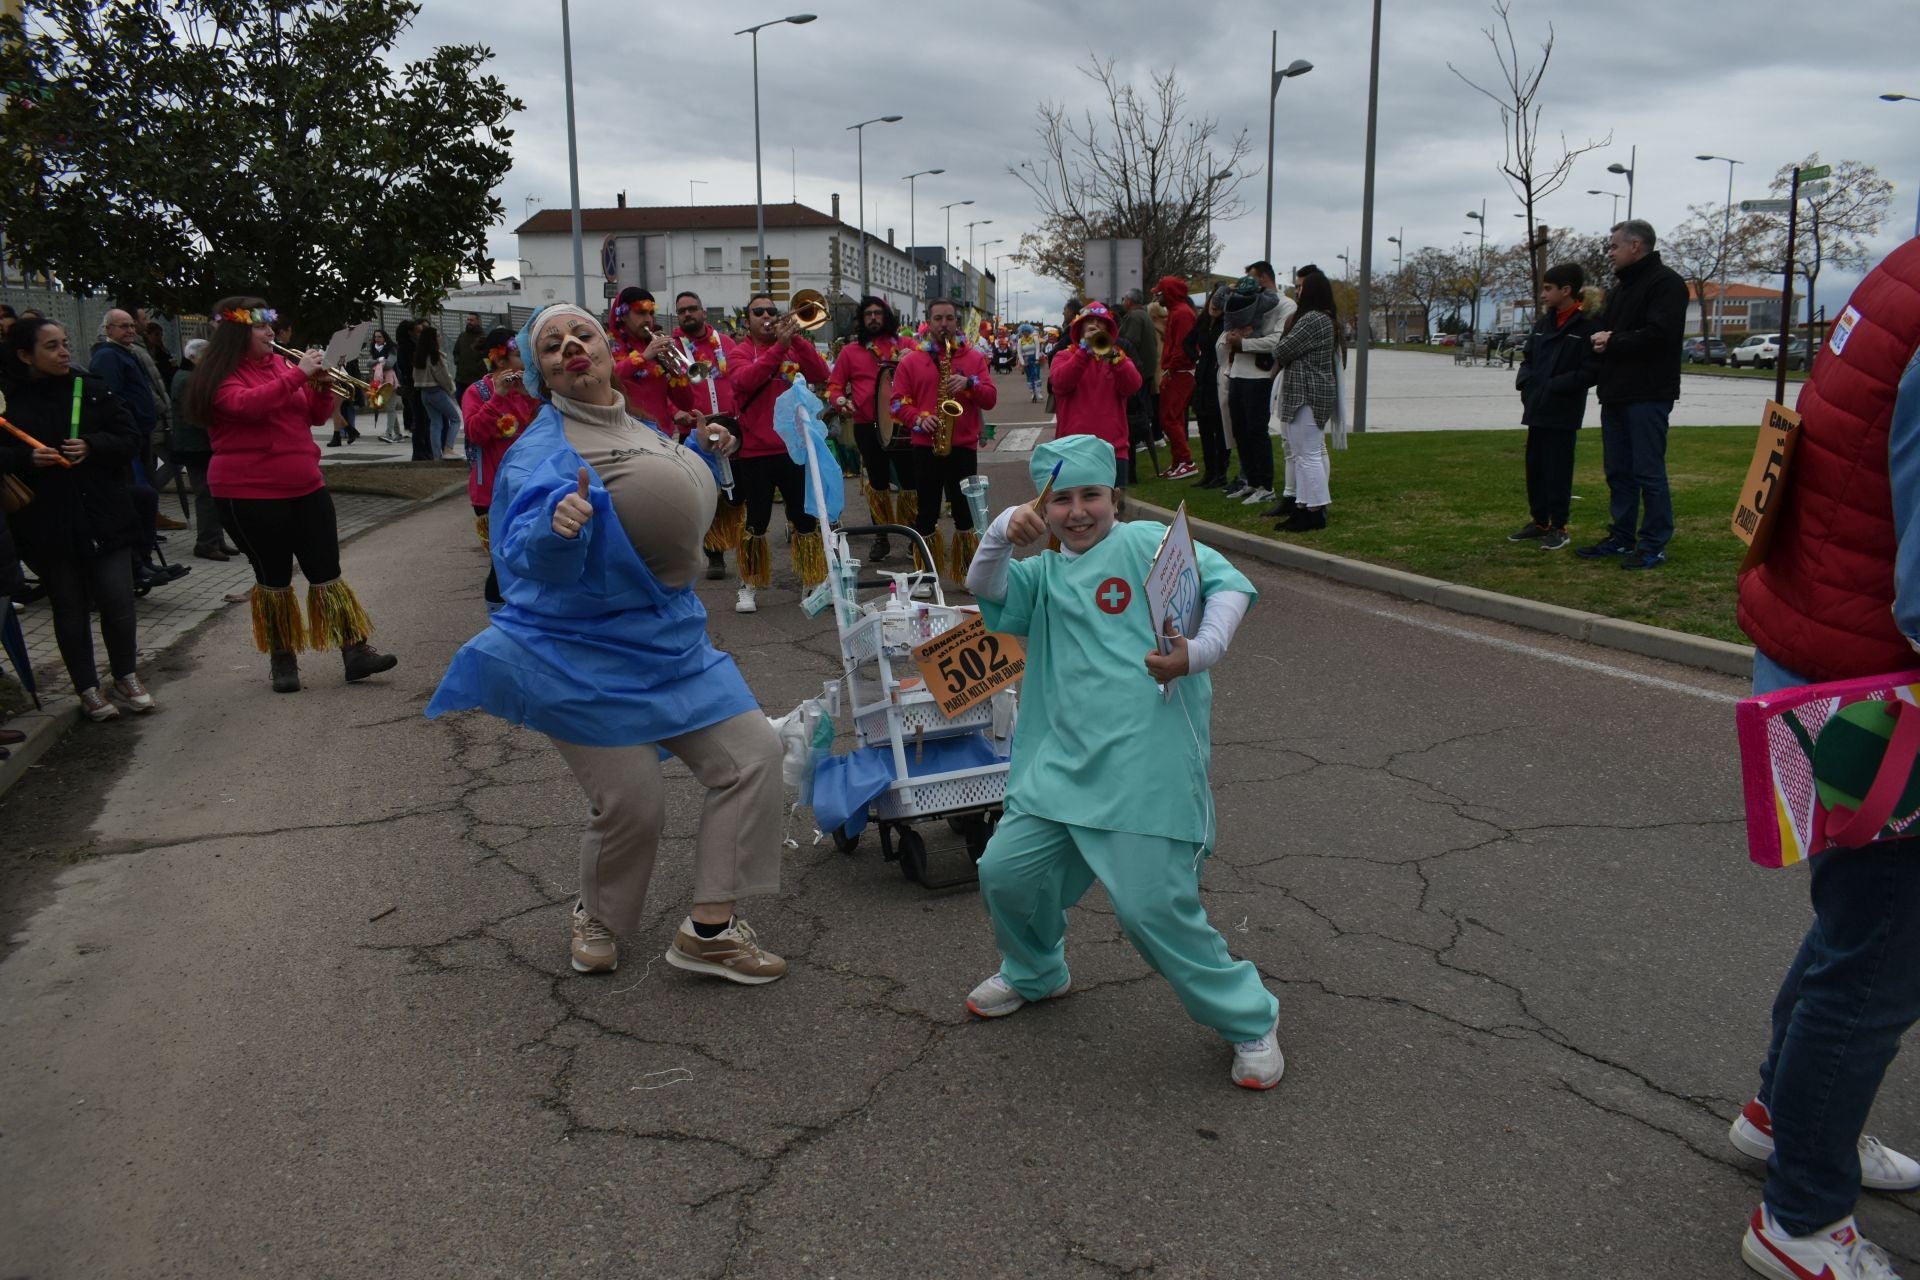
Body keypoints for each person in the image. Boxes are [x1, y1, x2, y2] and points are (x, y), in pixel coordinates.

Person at [426, 303, 788, 986]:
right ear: (542, 371)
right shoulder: (541, 449)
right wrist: (557, 530)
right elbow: (521, 555)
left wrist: (707, 453)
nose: (571, 347)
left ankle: (711, 930)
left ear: (606, 348)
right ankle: (598, 915)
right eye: (553, 344)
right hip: (581, 655)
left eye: (581, 334)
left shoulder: (641, 424)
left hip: (671, 640)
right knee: (634, 802)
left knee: (754, 756)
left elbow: (660, 489)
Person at [962, 432, 1282, 1089]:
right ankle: (1036, 970)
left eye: (1092, 496)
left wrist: (1198, 652)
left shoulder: (1142, 544)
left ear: (1115, 497)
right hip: (1060, 767)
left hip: (1146, 766)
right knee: (1006, 874)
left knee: (1151, 909)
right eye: (1062, 500)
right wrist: (998, 531)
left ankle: (1249, 1017)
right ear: (1043, 509)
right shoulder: (1043, 574)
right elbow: (984, 586)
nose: (1077, 512)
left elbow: (1229, 585)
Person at [1724, 241, 1920, 1280]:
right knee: (1880, 951)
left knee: (1860, 925)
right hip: (1881, 688)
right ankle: (1800, 1214)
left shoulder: (1901, 272)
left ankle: (1785, 1117)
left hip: (1825, 656)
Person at [184, 296, 399, 694]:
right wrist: (299, 375)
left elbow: (314, 416)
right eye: (260, 327)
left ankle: (354, 650)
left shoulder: (283, 366)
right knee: (273, 577)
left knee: (326, 571)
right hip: (248, 492)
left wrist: (320, 388)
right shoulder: (220, 376)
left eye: (270, 325)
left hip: (305, 485)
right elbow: (247, 406)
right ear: (236, 332)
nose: (271, 333)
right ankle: (283, 657)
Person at [0, 317, 156, 721]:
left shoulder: (90, 389)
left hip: (103, 513)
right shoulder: (9, 401)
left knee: (119, 601)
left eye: (65, 343)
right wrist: (25, 458)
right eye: (51, 346)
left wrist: (92, 445)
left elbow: (130, 438)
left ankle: (125, 675)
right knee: (69, 609)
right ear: (24, 354)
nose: (64, 352)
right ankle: (87, 688)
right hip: (47, 521)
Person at [1576, 219, 1687, 570]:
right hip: (1616, 393)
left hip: (1648, 393)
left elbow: (1660, 334)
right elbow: (1614, 333)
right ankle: (1621, 538)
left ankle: (1653, 543)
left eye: (1613, 247)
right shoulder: (1622, 288)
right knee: (1618, 471)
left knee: (1648, 471)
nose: (1609, 253)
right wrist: (1600, 337)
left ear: (1635, 246)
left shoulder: (1666, 284)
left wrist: (1614, 341)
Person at [725, 291, 830, 614]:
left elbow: (821, 375)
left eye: (772, 310)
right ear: (748, 321)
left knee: (803, 518)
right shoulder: (740, 352)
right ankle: (749, 583)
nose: (767, 316)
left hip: (794, 448)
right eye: (759, 312)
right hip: (756, 451)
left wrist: (796, 342)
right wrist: (779, 349)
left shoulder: (793, 347)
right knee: (756, 520)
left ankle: (811, 578)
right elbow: (745, 380)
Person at [889, 298, 997, 583]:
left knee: (965, 514)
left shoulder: (973, 359)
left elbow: (990, 398)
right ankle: (925, 575)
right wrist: (919, 419)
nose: (944, 324)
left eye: (949, 318)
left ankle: (967, 573)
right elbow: (897, 404)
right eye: (938, 319)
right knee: (926, 512)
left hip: (962, 446)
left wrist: (970, 383)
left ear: (956, 322)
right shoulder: (912, 360)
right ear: (929, 322)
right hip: (926, 446)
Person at [1510, 263, 1598, 551]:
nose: (1543, 294)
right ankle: (1539, 521)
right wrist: (1526, 384)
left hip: (1563, 410)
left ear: (1566, 290)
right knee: (1535, 466)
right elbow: (1528, 359)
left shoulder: (1586, 326)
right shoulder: (1542, 324)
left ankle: (1559, 526)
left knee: (1558, 468)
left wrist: (1554, 386)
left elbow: (1589, 371)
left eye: (1548, 288)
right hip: (1537, 407)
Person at [825, 295, 914, 563]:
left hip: (903, 424)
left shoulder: (906, 345)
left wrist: (918, 357)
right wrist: (840, 401)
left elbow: (929, 372)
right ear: (862, 320)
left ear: (886, 316)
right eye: (868, 314)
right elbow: (834, 386)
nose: (874, 318)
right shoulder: (851, 352)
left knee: (911, 484)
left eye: (878, 313)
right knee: (877, 484)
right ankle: (882, 536)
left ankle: (913, 536)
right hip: (867, 425)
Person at [666, 290, 745, 582]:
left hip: (729, 426)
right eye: (682, 310)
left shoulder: (724, 343)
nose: (688, 314)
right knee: (704, 493)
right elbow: (665, 390)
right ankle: (714, 555)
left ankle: (742, 546)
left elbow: (737, 379)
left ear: (703, 312)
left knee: (734, 493)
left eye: (692, 309)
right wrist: (677, 411)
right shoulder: (673, 349)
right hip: (694, 431)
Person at [460, 327, 540, 606]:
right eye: (521, 356)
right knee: (502, 563)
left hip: (528, 487)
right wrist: (499, 397)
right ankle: (499, 619)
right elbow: (474, 433)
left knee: (529, 558)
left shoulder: (529, 388)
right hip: (491, 493)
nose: (527, 362)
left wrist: (528, 395)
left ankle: (523, 618)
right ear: (501, 359)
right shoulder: (478, 392)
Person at [1263, 270, 1344, 532]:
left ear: (1313, 291)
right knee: (1304, 453)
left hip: (1306, 393)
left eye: (1301, 288)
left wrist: (1283, 348)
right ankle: (1304, 506)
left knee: (1307, 454)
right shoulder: (1324, 318)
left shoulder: (1313, 319)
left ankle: (1315, 510)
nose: (1297, 292)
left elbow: (1282, 349)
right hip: (1308, 391)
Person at [1219, 266, 1293, 504]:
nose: (1243, 284)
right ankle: (1250, 481)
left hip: (1260, 375)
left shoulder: (1285, 305)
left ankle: (1266, 485)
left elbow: (1278, 340)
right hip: (1238, 371)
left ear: (1263, 278)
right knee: (1239, 430)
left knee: (1256, 431)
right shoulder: (1243, 298)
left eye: (1250, 278)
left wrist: (1245, 343)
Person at [1048, 301, 1142, 487]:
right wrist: (1084, 352)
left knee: (1113, 513)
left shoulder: (1117, 357)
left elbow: (1133, 386)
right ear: (1079, 327)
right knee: (1074, 514)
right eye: (1089, 321)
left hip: (1113, 452)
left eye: (1101, 322)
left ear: (1109, 329)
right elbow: (1060, 383)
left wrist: (1114, 358)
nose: (1095, 326)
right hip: (1072, 452)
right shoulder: (1064, 356)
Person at [167, 338, 236, 561]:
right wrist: (218, 433)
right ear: (194, 357)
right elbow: (195, 416)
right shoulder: (188, 379)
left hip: (200, 445)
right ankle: (206, 542)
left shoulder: (191, 377)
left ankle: (216, 539)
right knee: (206, 495)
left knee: (215, 494)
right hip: (196, 447)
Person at [606, 287, 679, 435]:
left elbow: (686, 402)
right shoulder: (607, 345)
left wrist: (678, 370)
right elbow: (609, 378)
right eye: (640, 313)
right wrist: (643, 357)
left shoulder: (655, 347)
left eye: (651, 313)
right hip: (626, 434)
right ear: (623, 315)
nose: (648, 319)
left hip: (662, 434)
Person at [1154, 276, 1199, 479]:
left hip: (1180, 372)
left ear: (1169, 293)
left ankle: (1186, 461)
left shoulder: (1181, 314)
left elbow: (1182, 347)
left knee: (1169, 418)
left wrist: (1170, 370)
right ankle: (1179, 461)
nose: (1157, 296)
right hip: (1178, 371)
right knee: (1175, 418)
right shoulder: (1177, 312)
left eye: (1160, 292)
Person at [1188, 285, 1232, 489]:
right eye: (1213, 302)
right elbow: (1187, 342)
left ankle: (1220, 472)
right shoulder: (1204, 321)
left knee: (1219, 428)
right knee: (1205, 427)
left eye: (1219, 304)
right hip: (1203, 377)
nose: (1214, 307)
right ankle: (1209, 471)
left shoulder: (1226, 324)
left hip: (1218, 377)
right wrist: (1197, 358)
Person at [395, 319, 431, 461]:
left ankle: (425, 450)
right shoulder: (408, 348)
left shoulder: (412, 346)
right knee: (421, 420)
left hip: (417, 386)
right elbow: (410, 369)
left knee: (424, 420)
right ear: (410, 332)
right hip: (415, 387)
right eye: (418, 331)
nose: (420, 334)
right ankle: (421, 452)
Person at [451, 312, 488, 398]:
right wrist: (458, 362)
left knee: (480, 402)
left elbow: (488, 357)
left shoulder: (484, 337)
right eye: (468, 319)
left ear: (478, 321)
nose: (469, 322)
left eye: (471, 320)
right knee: (460, 399)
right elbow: (456, 352)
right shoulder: (462, 336)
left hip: (478, 379)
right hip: (461, 378)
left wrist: (479, 367)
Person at [1016, 324, 1043, 402]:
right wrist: (1022, 362)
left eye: (1026, 331)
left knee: (1036, 374)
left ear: (1029, 331)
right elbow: (1019, 353)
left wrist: (1037, 358)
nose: (1025, 333)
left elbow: (1037, 349)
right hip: (1026, 360)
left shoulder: (1034, 338)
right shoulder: (1020, 341)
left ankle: (1039, 392)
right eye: (1023, 331)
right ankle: (1032, 393)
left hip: (1034, 359)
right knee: (1029, 377)